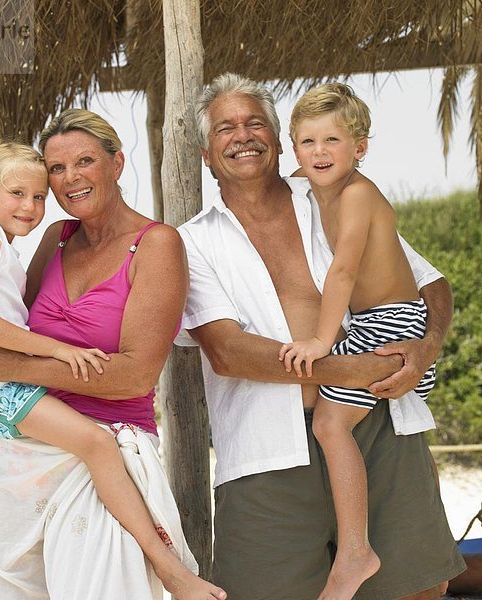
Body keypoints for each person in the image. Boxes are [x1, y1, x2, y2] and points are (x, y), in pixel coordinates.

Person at [176, 73, 465, 600]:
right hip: (267, 449)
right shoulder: (191, 242)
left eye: (254, 122)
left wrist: (425, 350)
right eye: (225, 128)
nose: (242, 135)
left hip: (378, 421)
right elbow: (227, 351)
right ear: (204, 151)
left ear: (276, 137)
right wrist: (353, 369)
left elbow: (430, 284)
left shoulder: (331, 193)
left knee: (416, 589)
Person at [0, 114, 226, 600]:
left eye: (85, 161)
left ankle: (173, 570)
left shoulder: (156, 245)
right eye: (56, 167)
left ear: (117, 163)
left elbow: (135, 375)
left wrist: (9, 369)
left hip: (104, 446)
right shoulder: (55, 240)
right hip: (18, 452)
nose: (69, 177)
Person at [276, 83, 438, 599]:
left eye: (332, 141)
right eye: (307, 142)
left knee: (329, 422)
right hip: (385, 319)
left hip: (391, 322)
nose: (319, 152)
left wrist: (322, 340)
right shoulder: (319, 182)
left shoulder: (357, 194)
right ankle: (358, 548)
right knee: (340, 427)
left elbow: (343, 271)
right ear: (293, 148)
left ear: (360, 148)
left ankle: (355, 554)